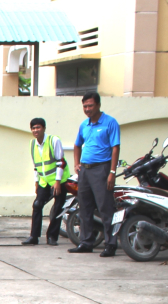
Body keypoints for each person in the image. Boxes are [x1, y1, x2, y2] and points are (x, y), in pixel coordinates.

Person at [69, 92, 121, 257]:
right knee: (84, 207)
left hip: (102, 169)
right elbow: (77, 145)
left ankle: (110, 244)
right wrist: (76, 164)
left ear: (98, 105)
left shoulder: (110, 123)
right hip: (85, 171)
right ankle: (86, 242)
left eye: (90, 106)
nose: (87, 109)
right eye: (85, 106)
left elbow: (115, 148)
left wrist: (112, 172)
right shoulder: (84, 125)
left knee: (105, 208)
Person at [22, 118, 69, 246]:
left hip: (58, 180)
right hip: (44, 181)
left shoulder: (54, 140)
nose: (36, 130)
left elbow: (61, 162)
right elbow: (36, 165)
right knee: (37, 204)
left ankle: (52, 236)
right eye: (33, 128)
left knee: (58, 208)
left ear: (44, 128)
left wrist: (58, 182)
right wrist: (36, 182)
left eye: (38, 127)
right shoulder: (32, 144)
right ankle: (34, 236)